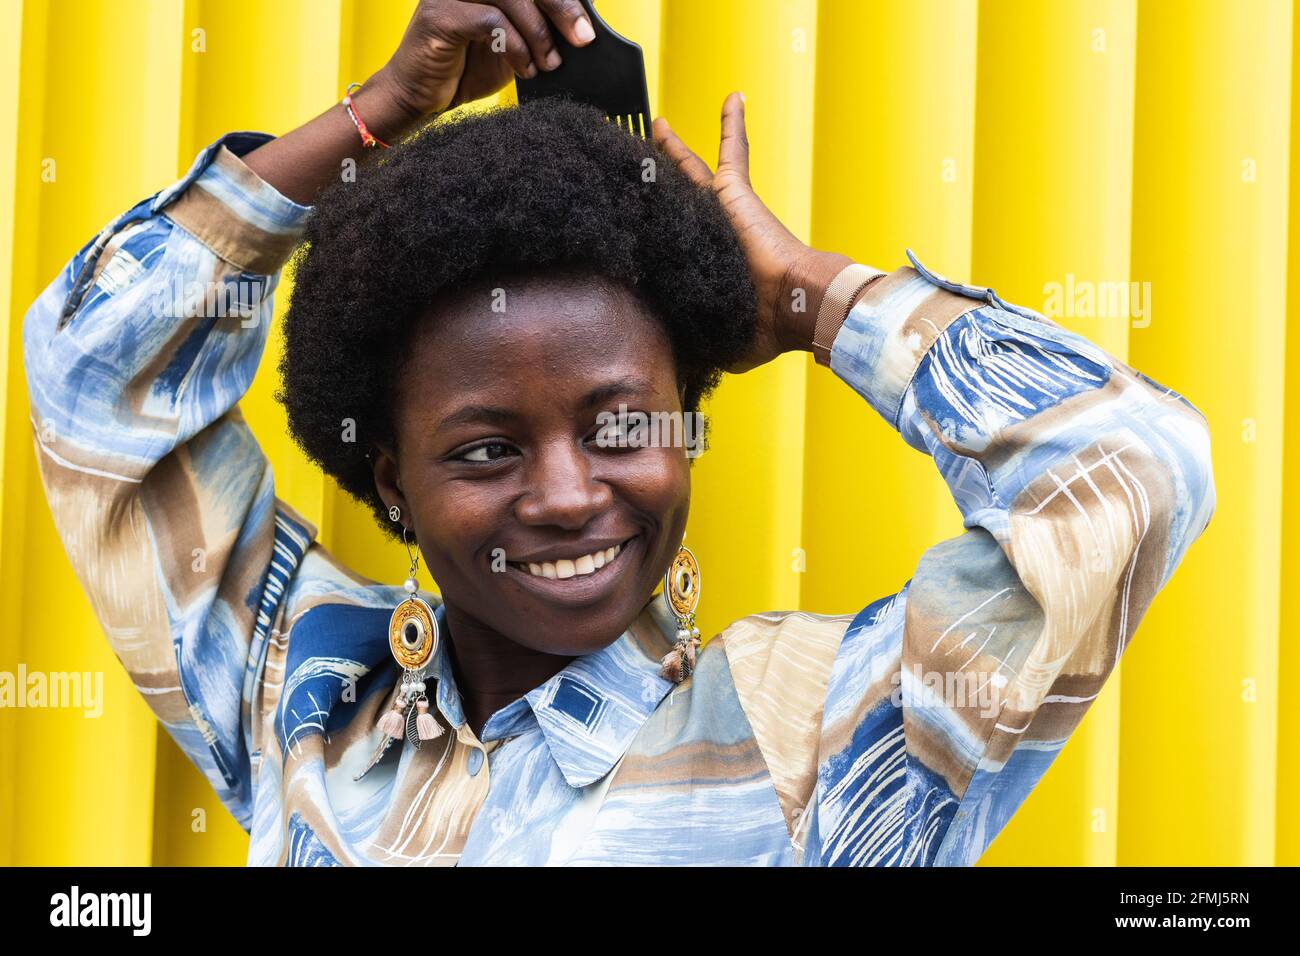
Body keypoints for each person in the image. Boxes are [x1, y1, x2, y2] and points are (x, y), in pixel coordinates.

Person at [22, 0, 1214, 866]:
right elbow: (91, 375)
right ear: (389, 479)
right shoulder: (304, 694)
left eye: (620, 424)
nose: (563, 494)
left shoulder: (827, 732)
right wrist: (378, 114)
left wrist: (804, 294)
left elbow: (1135, 469)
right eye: (485, 447)